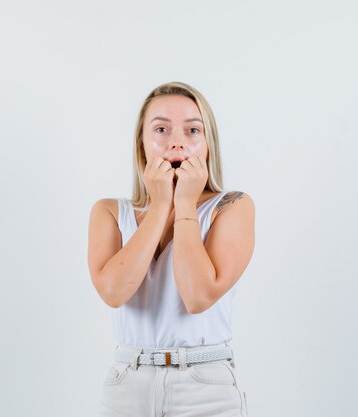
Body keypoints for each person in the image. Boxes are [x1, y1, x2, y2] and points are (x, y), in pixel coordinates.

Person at [87, 81, 255, 417]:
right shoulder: (108, 212)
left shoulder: (233, 206)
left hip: (205, 385)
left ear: (208, 145)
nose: (177, 141)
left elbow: (198, 296)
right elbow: (113, 292)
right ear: (142, 144)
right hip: (127, 384)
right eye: (161, 129)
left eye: (193, 130)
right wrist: (161, 203)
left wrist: (186, 204)